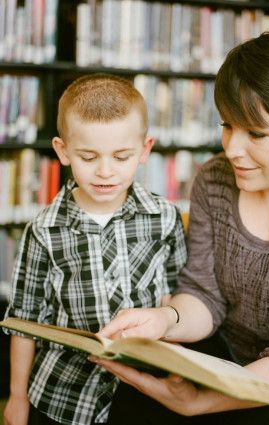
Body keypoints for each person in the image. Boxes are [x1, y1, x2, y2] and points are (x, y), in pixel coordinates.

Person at [89, 27, 269, 424]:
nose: (233, 149)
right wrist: (164, 319)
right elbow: (205, 294)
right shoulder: (216, 180)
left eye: (256, 133)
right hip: (223, 357)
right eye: (227, 125)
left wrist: (202, 400)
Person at [3, 74, 187, 425]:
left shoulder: (164, 216)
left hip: (146, 391)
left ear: (145, 150)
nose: (106, 172)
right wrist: (16, 396)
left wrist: (178, 365)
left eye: (121, 157)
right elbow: (23, 322)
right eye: (89, 157)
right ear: (63, 151)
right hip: (63, 396)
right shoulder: (43, 230)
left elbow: (177, 296)